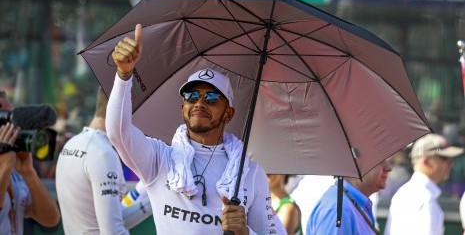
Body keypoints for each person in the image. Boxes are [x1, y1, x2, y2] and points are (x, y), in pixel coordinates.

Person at [107, 24, 276, 234]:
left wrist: (245, 232)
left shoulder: (250, 173)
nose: (200, 103)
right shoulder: (160, 159)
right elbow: (117, 133)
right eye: (192, 96)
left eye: (212, 98)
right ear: (183, 108)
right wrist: (124, 75)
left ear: (228, 114)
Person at [55, 87, 129, 234]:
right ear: (123, 107)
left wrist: (149, 200)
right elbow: (113, 231)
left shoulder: (72, 143)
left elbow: (108, 219)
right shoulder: (103, 153)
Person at [0, 90, 61, 234]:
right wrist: (4, 166)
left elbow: (51, 221)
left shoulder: (13, 170)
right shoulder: (7, 165)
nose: (11, 130)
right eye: (6, 123)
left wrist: (28, 172)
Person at [384, 133, 464, 235]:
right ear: (426, 161)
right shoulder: (425, 199)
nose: (450, 165)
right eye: (445, 159)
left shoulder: (405, 192)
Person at [307, 159, 392, 235]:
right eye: (380, 161)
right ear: (357, 164)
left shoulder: (347, 205)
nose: (388, 168)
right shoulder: (340, 210)